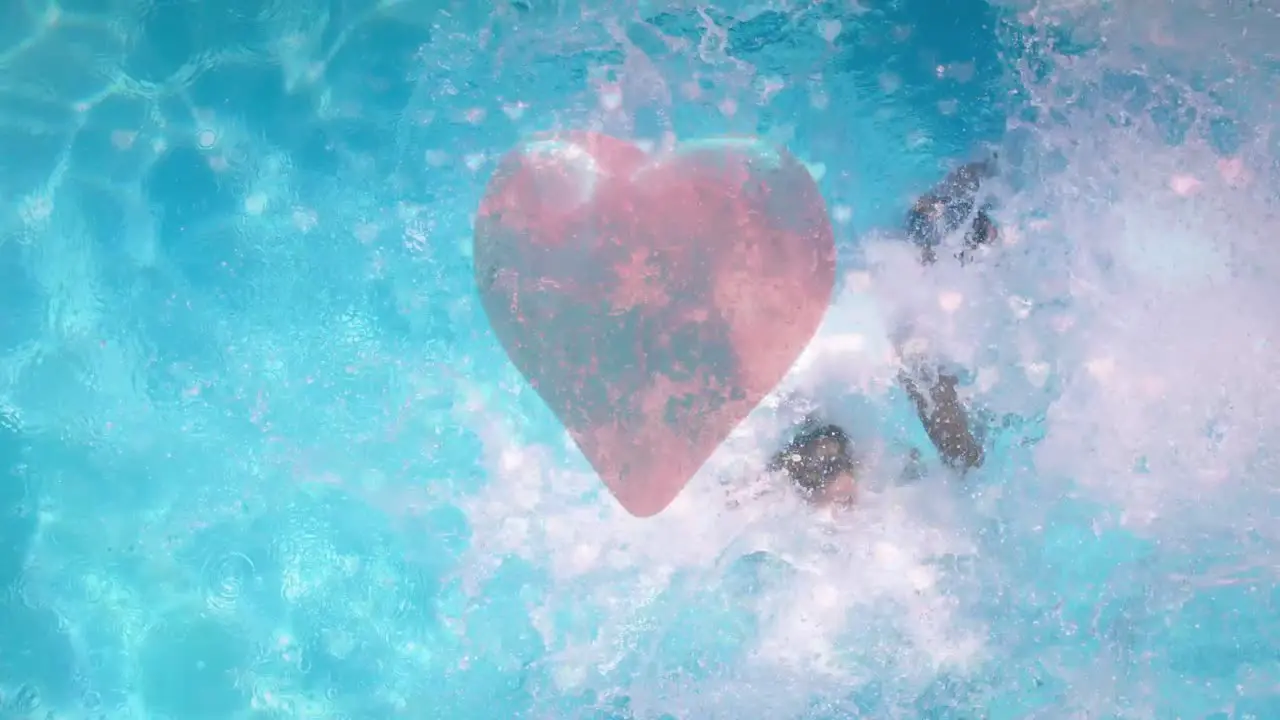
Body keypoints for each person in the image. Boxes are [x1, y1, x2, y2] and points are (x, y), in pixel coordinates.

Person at [771, 157, 999, 505]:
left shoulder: (829, 398)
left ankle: (965, 206)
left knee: (962, 456)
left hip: (893, 295)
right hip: (885, 283)